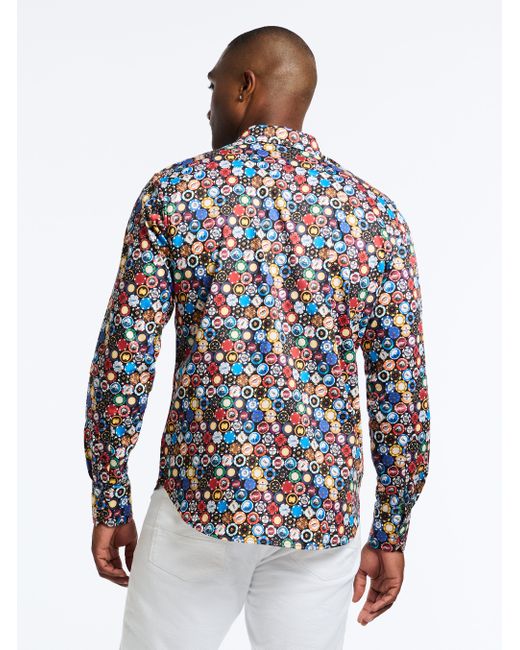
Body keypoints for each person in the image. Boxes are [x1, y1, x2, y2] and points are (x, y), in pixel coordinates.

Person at [84, 25, 431, 650]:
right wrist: (391, 530)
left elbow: (124, 361)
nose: (208, 104)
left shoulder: (178, 194)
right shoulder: (377, 218)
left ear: (245, 86)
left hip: (200, 502)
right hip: (320, 517)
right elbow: (401, 394)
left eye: (213, 86)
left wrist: (111, 498)